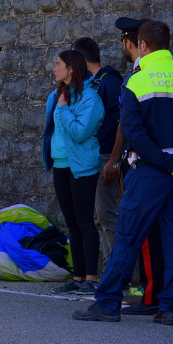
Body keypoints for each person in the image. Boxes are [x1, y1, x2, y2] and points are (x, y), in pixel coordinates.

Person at [74, 20, 173, 325]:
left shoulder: (136, 82)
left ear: (144, 45)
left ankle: (107, 304)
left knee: (127, 238)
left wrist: (165, 163)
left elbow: (133, 132)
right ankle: (169, 308)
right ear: (170, 45)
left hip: (150, 173)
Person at [111, 17, 165, 315]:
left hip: (145, 163)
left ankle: (150, 295)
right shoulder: (166, 74)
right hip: (163, 163)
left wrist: (118, 160)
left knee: (144, 234)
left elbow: (129, 126)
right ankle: (155, 294)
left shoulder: (140, 76)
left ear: (132, 43)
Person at [41, 50, 105, 295]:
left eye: (58, 64)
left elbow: (79, 133)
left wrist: (64, 108)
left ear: (71, 69)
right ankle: (78, 278)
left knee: (85, 222)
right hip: (60, 165)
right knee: (72, 223)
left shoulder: (90, 98)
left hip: (82, 166)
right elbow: (51, 131)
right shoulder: (55, 96)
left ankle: (91, 278)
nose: (54, 68)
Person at [71, 37, 123, 266]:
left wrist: (113, 160)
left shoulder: (109, 82)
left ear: (82, 59)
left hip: (105, 157)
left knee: (106, 215)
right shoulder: (90, 84)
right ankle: (109, 269)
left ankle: (117, 272)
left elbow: (123, 122)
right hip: (91, 157)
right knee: (96, 217)